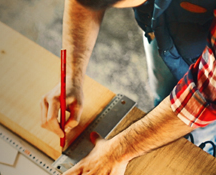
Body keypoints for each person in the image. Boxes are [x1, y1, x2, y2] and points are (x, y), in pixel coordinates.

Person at [39, 0, 216, 173]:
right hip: (163, 32)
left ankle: (201, 143)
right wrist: (72, 76)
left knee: (198, 140)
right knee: (165, 96)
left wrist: (118, 151)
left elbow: (205, 94)